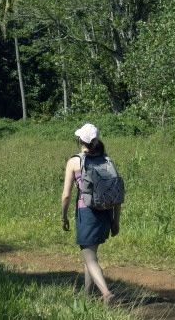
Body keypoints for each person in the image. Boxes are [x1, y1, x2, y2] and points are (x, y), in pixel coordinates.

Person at [61, 123, 121, 304]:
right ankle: (88, 297)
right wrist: (116, 220)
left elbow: (66, 195)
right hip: (106, 212)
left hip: (86, 213)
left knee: (89, 257)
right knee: (91, 255)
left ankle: (106, 293)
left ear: (80, 140)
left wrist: (63, 216)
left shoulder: (74, 161)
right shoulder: (107, 160)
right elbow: (117, 192)